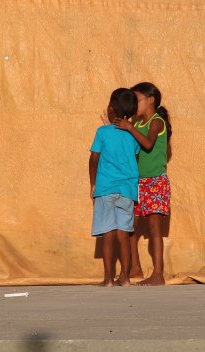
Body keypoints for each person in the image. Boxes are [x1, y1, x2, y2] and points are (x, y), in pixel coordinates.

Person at [113, 81, 172, 286]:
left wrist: (129, 127)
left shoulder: (157, 122)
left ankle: (158, 273)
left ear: (151, 100)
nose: (134, 104)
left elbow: (147, 144)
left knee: (154, 227)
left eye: (136, 99)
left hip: (155, 181)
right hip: (136, 183)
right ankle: (135, 269)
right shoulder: (136, 125)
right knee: (130, 228)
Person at [89, 87, 140, 286]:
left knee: (107, 233)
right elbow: (134, 158)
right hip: (127, 190)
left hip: (105, 188)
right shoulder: (132, 134)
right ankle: (125, 277)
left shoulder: (102, 132)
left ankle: (108, 278)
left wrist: (93, 183)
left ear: (110, 109)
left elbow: (94, 159)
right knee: (123, 233)